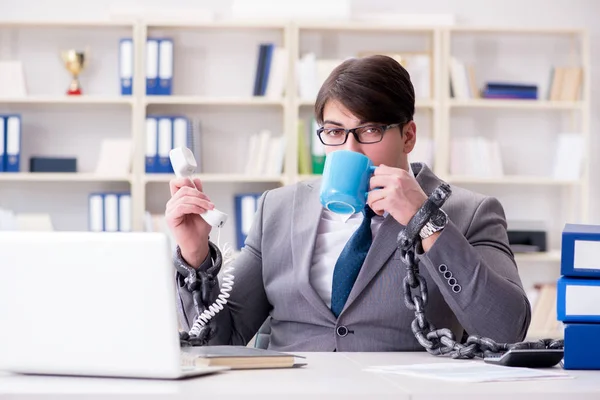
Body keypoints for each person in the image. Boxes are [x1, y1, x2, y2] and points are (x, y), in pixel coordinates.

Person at [165, 55, 531, 352]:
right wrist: (194, 253)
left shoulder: (470, 213)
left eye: (369, 130)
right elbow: (221, 339)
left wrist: (425, 221)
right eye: (335, 132)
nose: (350, 149)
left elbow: (506, 330)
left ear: (408, 135)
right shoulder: (277, 209)